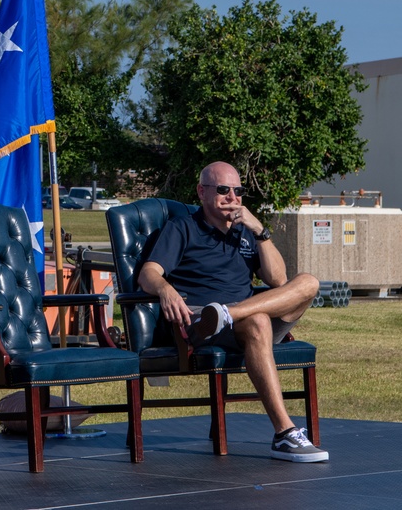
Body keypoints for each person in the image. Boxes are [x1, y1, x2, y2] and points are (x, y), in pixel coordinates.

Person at [138, 161, 327, 463]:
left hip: (240, 315)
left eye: (238, 191)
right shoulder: (183, 227)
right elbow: (148, 273)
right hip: (202, 322)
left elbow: (277, 280)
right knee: (258, 321)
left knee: (308, 283)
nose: (232, 197)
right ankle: (284, 434)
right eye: (223, 190)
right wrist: (165, 289)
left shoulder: (246, 233)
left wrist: (260, 231)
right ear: (202, 192)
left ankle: (231, 312)